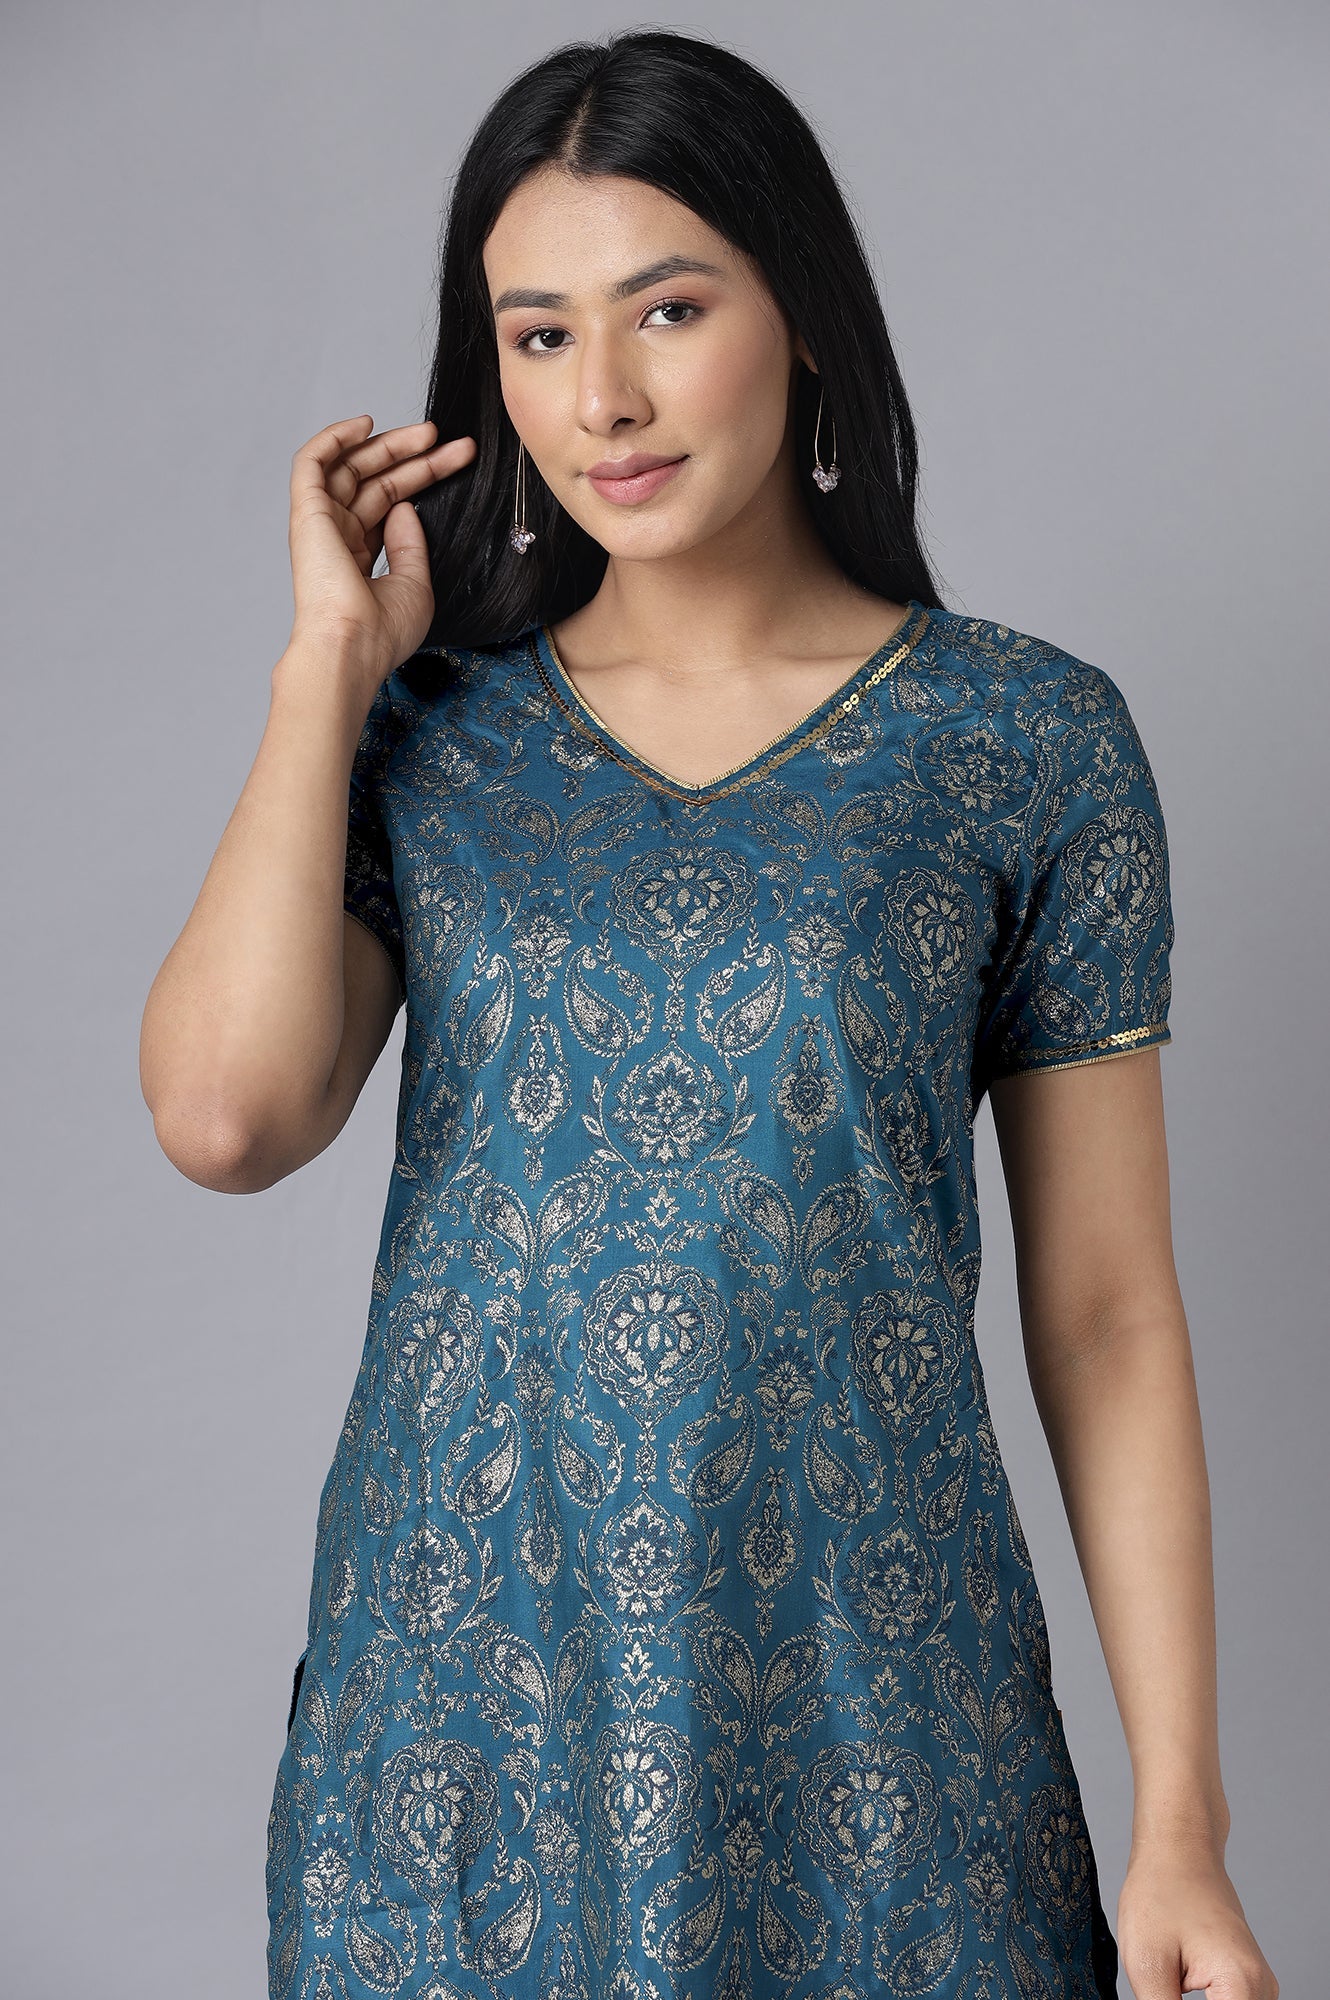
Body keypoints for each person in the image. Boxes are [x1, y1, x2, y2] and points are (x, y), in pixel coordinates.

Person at [139, 27, 1279, 2000]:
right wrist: (325, 670)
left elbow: (1103, 1315)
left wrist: (1179, 1822)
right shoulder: (433, 740)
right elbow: (225, 1120)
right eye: (538, 334)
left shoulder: (1018, 739)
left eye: (667, 309)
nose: (604, 396)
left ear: (803, 315)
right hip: (465, 1717)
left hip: (878, 1712)